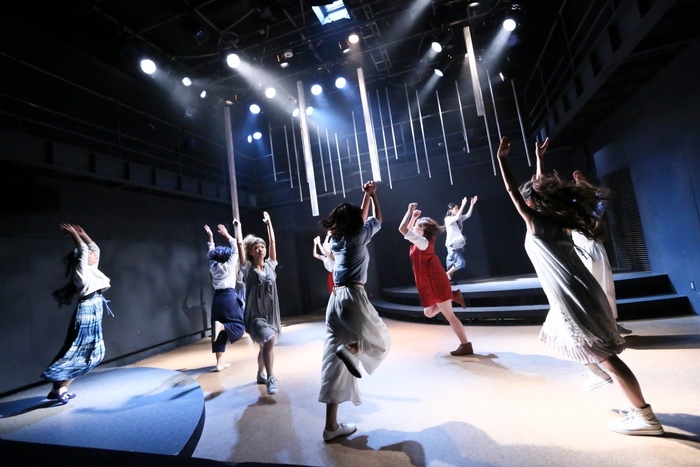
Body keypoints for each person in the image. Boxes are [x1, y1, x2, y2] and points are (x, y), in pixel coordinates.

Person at [496, 135, 663, 436]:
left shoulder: (538, 222)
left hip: (572, 294)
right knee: (556, 333)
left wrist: (502, 160)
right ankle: (600, 376)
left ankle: (645, 416)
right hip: (576, 290)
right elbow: (536, 188)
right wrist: (539, 159)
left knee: (606, 356)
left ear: (530, 203)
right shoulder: (555, 217)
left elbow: (513, 191)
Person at [534, 141, 632, 391]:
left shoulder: (572, 216)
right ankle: (599, 356)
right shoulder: (567, 215)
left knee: (595, 296)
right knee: (594, 296)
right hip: (581, 255)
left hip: (585, 256)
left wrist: (541, 162)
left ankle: (602, 349)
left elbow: (597, 199)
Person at [318, 181, 391, 442]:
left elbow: (360, 218)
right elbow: (377, 219)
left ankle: (331, 427)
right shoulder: (359, 237)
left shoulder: (335, 240)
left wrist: (365, 196)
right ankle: (351, 349)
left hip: (335, 301)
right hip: (353, 296)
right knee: (381, 340)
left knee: (334, 366)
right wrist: (373, 197)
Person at [42, 224, 113, 404]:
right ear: (83, 258)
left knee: (87, 352)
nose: (94, 254)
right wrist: (74, 234)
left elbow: (94, 248)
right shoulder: (81, 272)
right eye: (90, 254)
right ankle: (62, 387)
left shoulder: (91, 269)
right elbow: (83, 250)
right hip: (88, 313)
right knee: (85, 352)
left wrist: (84, 234)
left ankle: (55, 390)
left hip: (94, 311)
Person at [398, 203, 473, 356]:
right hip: (431, 281)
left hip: (437, 282)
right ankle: (452, 296)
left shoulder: (423, 242)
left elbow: (402, 229)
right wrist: (413, 218)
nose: (414, 227)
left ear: (423, 230)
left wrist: (409, 211)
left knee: (450, 316)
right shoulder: (420, 240)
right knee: (428, 312)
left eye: (417, 226)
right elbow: (408, 231)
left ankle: (466, 345)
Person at [240, 212, 281, 396]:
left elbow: (273, 242)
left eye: (262, 247)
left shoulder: (271, 265)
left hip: (271, 314)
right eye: (256, 247)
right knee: (269, 340)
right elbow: (240, 245)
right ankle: (271, 377)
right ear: (251, 251)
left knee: (265, 345)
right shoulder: (248, 269)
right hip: (255, 315)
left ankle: (260, 373)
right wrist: (238, 229)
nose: (260, 249)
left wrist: (269, 223)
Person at [205, 222, 246, 372]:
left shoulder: (213, 267)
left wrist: (211, 237)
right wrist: (227, 234)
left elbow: (211, 251)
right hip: (229, 297)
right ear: (227, 256)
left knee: (218, 335)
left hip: (217, 300)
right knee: (239, 327)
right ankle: (222, 326)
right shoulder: (229, 265)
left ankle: (219, 363)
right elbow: (235, 246)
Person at [444, 195, 478, 283]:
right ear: (450, 210)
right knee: (460, 262)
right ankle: (447, 274)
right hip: (452, 244)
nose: (457, 209)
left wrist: (472, 204)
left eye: (457, 208)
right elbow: (456, 217)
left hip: (457, 245)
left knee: (454, 263)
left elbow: (468, 215)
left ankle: (448, 279)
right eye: (455, 208)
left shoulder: (459, 219)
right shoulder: (448, 219)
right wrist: (463, 205)